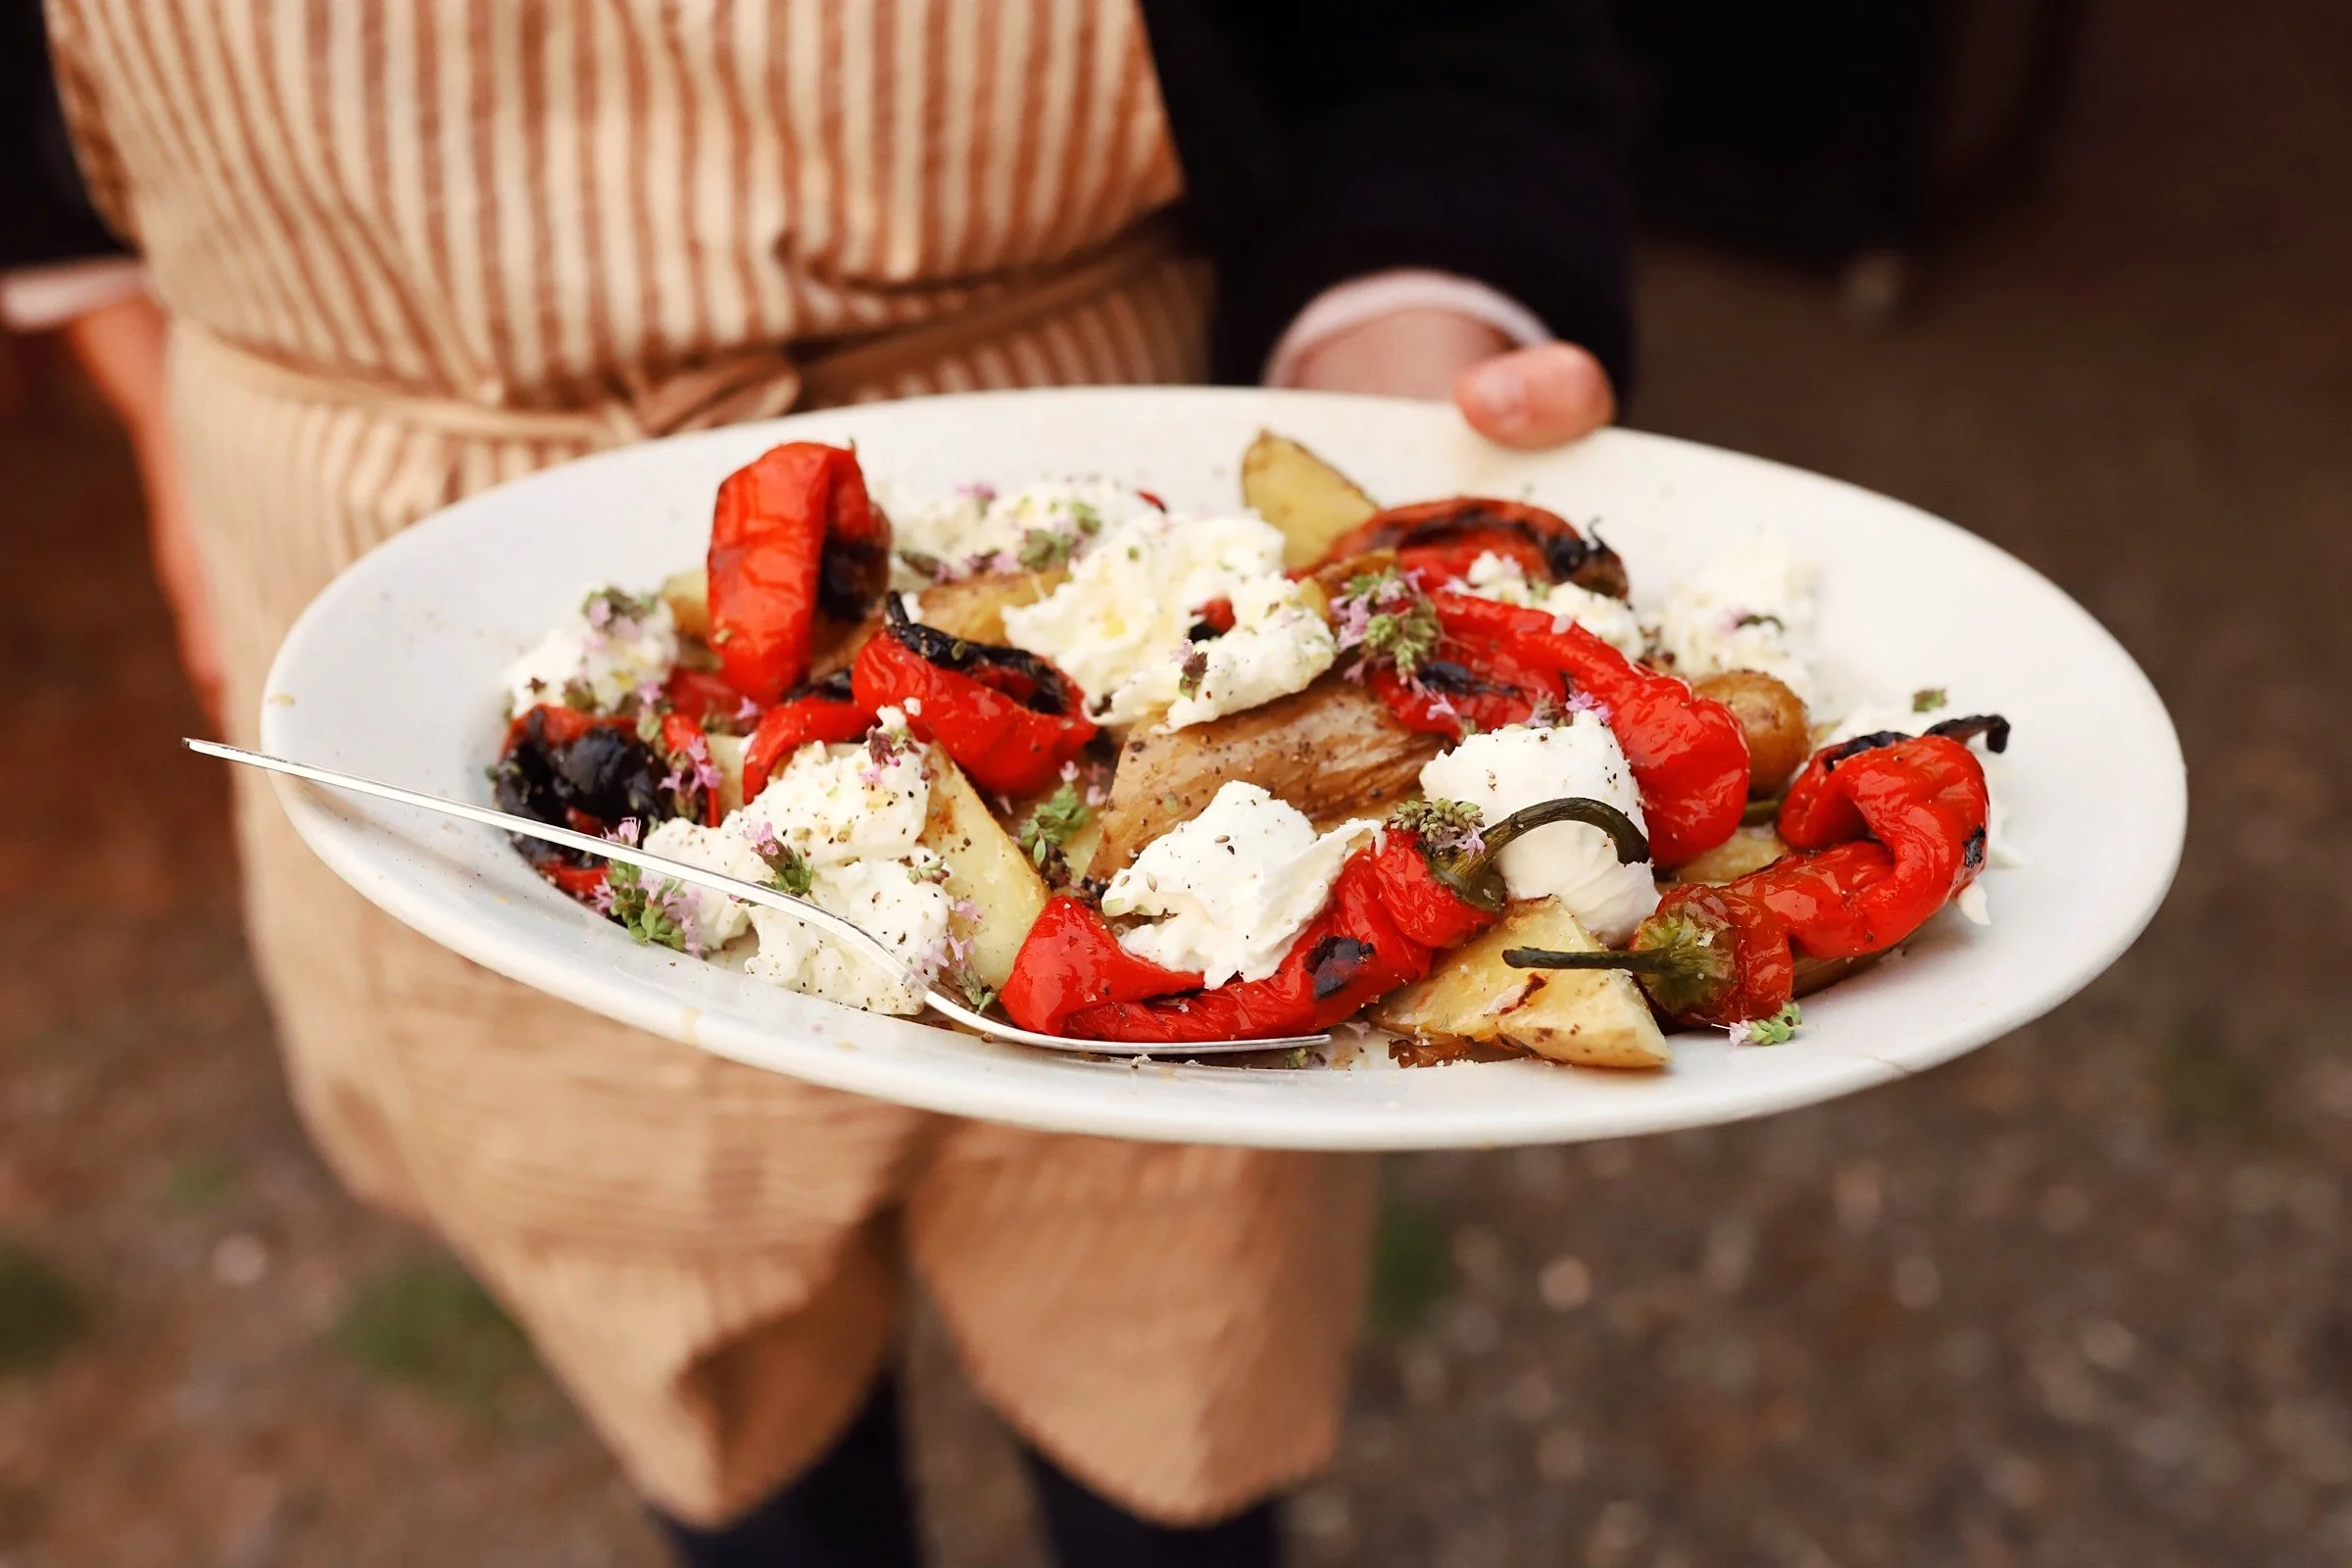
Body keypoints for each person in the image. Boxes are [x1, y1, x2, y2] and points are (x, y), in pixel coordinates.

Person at [12, 3, 1633, 1562]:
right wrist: (153, 394)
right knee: (695, 1377)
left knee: (1174, 1343)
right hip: (410, 547)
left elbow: (1439, 43)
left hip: (1091, 533)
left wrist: (1400, 374)